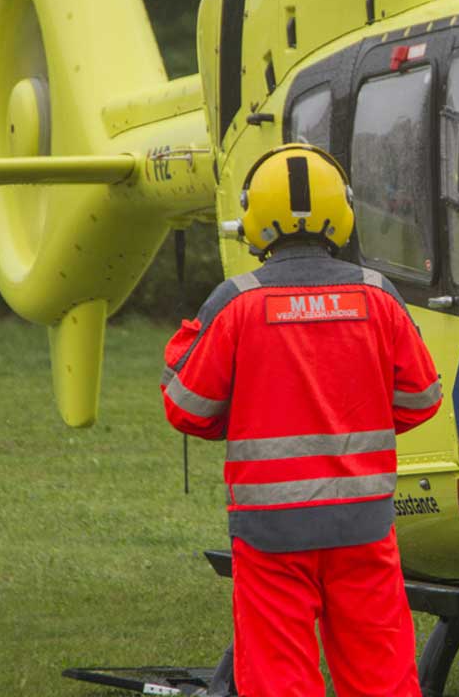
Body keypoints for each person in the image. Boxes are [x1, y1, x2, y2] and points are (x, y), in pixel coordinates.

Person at [160, 144, 442, 697]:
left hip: (272, 534)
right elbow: (421, 398)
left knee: (279, 678)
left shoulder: (236, 302)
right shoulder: (378, 296)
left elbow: (186, 407)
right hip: (363, 525)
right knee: (382, 674)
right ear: (343, 210)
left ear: (255, 218)